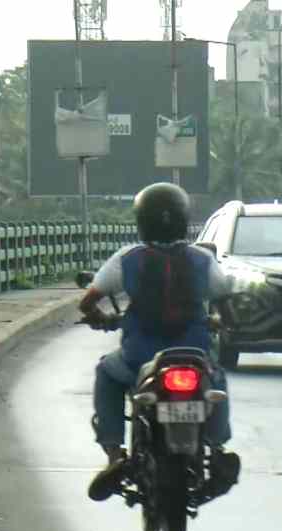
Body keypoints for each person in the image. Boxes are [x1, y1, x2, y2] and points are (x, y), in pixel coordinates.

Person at [78, 182, 235, 502]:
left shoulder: (127, 258)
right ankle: (218, 448)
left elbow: (88, 301)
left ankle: (114, 453)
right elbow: (224, 300)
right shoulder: (202, 259)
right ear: (183, 219)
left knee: (106, 373)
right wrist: (223, 320)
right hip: (194, 353)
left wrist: (100, 318)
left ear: (142, 220)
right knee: (216, 381)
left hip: (140, 356)